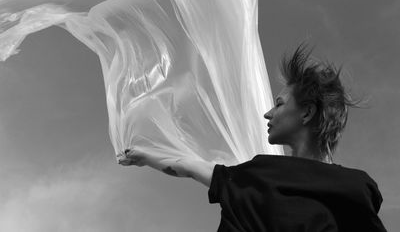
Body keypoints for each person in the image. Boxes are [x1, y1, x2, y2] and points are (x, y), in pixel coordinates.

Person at [117, 43, 387, 231]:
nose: (268, 113)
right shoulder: (259, 175)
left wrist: (146, 157)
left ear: (306, 113)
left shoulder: (354, 189)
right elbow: (188, 166)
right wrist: (145, 156)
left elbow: (188, 168)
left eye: (280, 104)